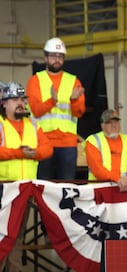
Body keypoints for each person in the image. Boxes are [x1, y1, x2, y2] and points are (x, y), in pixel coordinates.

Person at [0, 82, 52, 272]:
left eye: (22, 100)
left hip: (24, 189)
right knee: (2, 232)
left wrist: (34, 153)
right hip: (3, 187)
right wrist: (19, 152)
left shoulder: (33, 124)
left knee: (17, 234)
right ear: (4, 104)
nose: (21, 104)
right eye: (15, 100)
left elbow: (48, 149)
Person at [26, 37, 85, 180]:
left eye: (60, 56)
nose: (57, 59)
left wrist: (74, 99)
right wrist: (52, 100)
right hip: (43, 142)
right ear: (45, 58)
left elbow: (79, 112)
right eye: (53, 56)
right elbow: (36, 110)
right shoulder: (35, 81)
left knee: (66, 186)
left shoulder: (73, 80)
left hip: (68, 144)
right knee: (44, 186)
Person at [84, 109, 127, 191]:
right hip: (100, 189)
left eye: (116, 122)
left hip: (126, 187)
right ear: (102, 125)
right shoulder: (93, 141)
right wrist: (118, 179)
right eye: (109, 123)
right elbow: (97, 169)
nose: (113, 125)